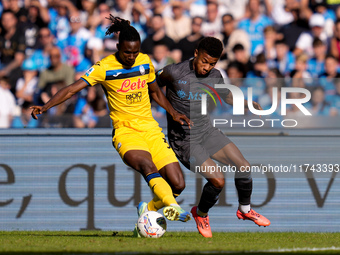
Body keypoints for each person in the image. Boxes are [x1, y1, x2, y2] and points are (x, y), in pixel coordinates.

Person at [30, 16, 191, 223]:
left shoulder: (144, 61)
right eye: (127, 52)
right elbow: (72, 89)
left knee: (178, 184)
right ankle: (174, 208)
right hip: (126, 131)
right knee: (146, 165)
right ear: (117, 47)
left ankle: (148, 208)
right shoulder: (104, 67)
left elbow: (156, 93)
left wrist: (173, 112)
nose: (131, 57)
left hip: (150, 129)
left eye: (135, 51)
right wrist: (45, 106)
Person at [156, 37, 271, 238]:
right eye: (204, 61)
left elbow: (225, 95)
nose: (207, 67)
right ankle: (201, 214)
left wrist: (246, 103)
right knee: (218, 180)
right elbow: (152, 88)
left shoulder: (215, 75)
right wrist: (172, 112)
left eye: (212, 63)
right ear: (196, 53)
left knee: (244, 166)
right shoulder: (174, 71)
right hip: (184, 140)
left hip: (206, 131)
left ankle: (244, 210)